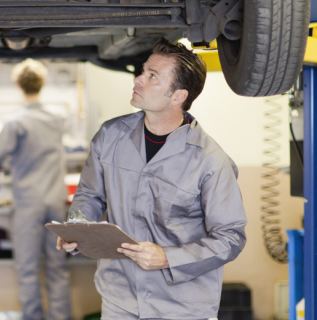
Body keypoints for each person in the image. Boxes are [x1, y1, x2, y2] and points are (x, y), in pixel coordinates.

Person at [57, 38, 247, 320]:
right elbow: (90, 195)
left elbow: (230, 237)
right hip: (119, 299)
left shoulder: (209, 160)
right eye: (143, 70)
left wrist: (168, 258)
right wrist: (77, 226)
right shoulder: (110, 136)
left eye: (152, 76)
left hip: (181, 307)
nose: (138, 79)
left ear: (177, 96)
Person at [0, 59, 71, 320]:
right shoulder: (57, 119)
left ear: (18, 85)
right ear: (42, 83)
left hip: (28, 205)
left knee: (28, 270)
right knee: (57, 268)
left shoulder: (16, 123)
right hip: (55, 203)